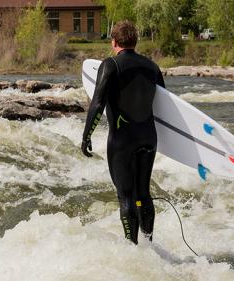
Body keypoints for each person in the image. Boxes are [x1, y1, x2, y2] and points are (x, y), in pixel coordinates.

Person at [81, 21, 165, 244]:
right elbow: (163, 107)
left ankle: (132, 247)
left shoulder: (110, 65)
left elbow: (98, 104)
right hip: (149, 138)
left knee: (126, 196)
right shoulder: (152, 67)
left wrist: (86, 135)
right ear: (135, 42)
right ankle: (149, 244)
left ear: (114, 42)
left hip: (122, 140)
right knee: (144, 194)